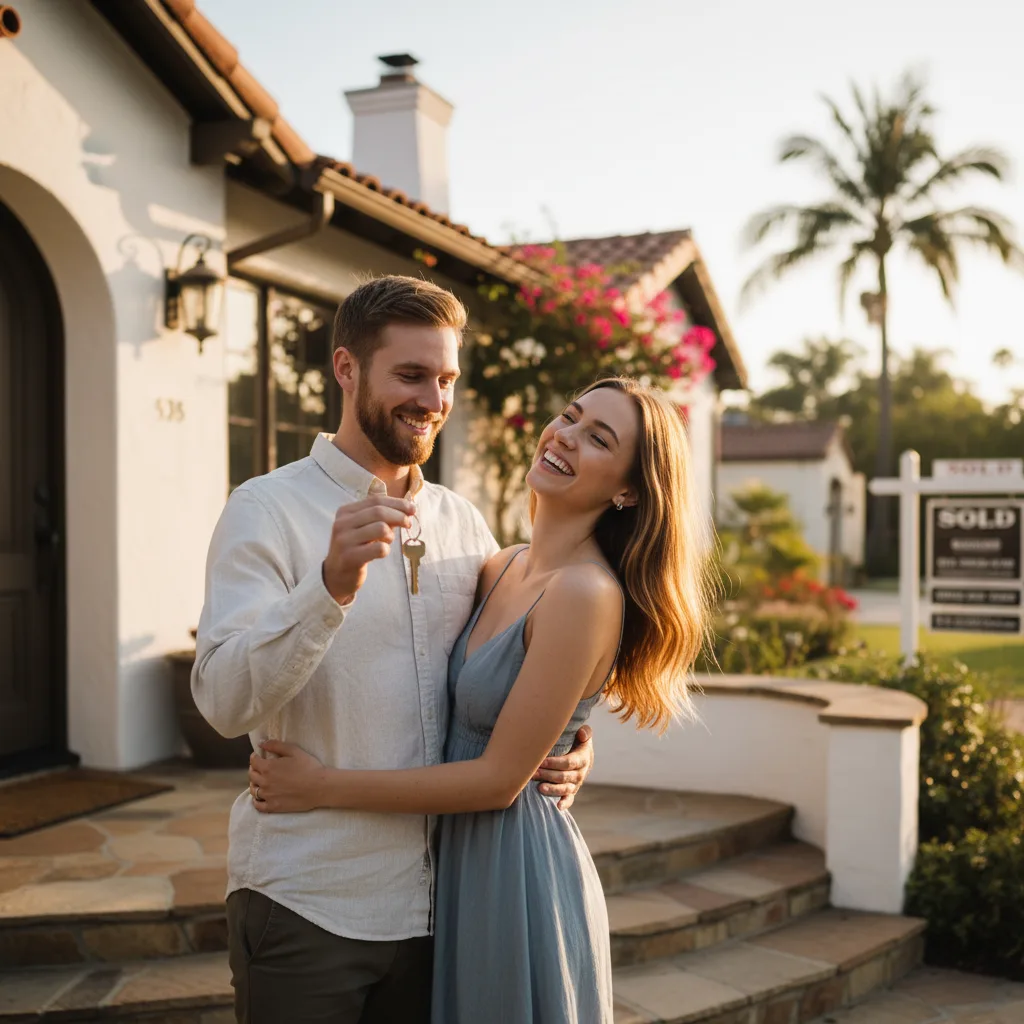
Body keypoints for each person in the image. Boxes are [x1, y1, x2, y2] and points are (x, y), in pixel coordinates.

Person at [248, 376, 716, 1023]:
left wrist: (322, 785)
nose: (565, 437)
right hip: (451, 866)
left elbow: (499, 779)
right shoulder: (501, 566)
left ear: (628, 490)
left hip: (512, 869)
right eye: (570, 416)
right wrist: (572, 742)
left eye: (598, 438)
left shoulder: (585, 593)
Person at [191, 275, 595, 1024]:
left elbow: (505, 673)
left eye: (445, 379)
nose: (433, 400)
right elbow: (221, 701)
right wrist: (329, 587)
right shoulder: (265, 509)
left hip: (447, 912)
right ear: (346, 369)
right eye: (410, 375)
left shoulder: (464, 524)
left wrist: (572, 742)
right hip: (308, 901)